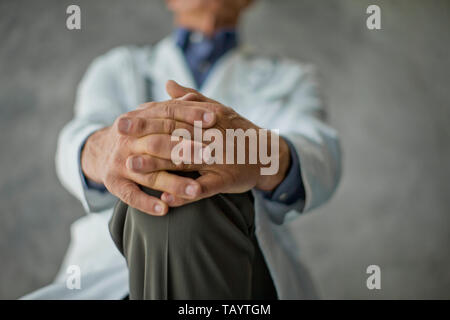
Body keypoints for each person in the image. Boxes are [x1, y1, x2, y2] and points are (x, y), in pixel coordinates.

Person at [23, 0, 341, 299]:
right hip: (111, 267)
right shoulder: (117, 67)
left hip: (246, 270)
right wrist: (105, 150)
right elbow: (79, 138)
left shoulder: (292, 78)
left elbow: (318, 155)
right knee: (178, 189)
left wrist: (257, 154)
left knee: (201, 193)